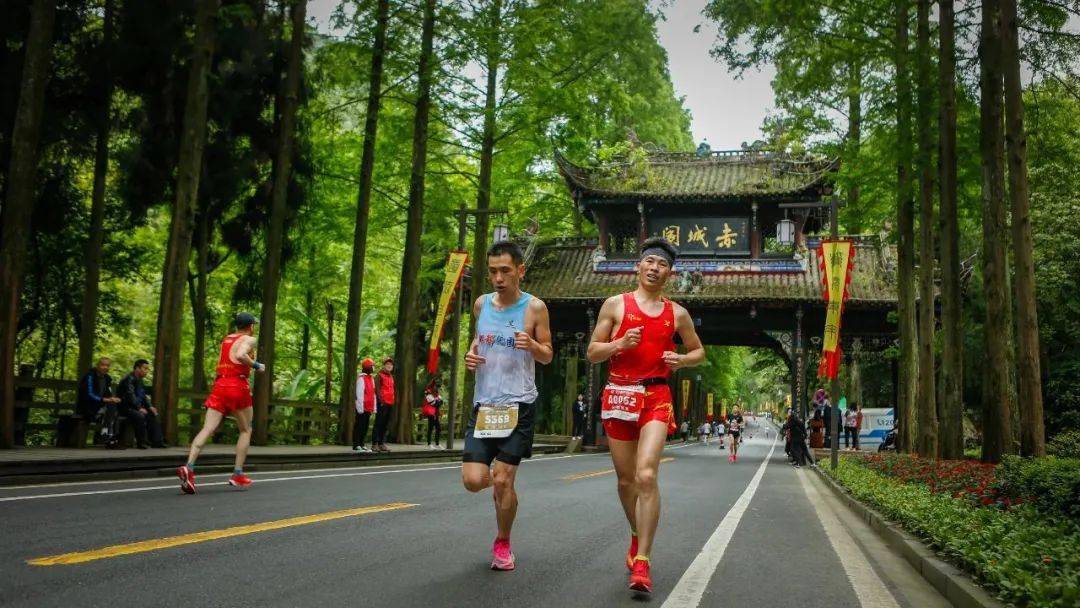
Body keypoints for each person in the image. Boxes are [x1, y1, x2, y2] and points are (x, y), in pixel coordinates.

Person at [587, 236, 705, 594]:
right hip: (620, 393)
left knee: (647, 474)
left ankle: (643, 562)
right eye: (650, 261)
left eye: (663, 264)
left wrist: (681, 359)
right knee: (626, 482)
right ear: (638, 266)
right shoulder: (615, 305)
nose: (655, 268)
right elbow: (592, 351)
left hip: (656, 394)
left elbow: (698, 351)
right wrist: (619, 344)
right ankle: (636, 534)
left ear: (670, 272)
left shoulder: (677, 313)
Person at [461, 240, 553, 572]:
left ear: (520, 271)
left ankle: (502, 541)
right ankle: (500, 483)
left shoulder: (535, 308)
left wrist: (532, 345)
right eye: (493, 271)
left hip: (518, 404)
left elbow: (548, 354)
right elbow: (479, 339)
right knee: (474, 481)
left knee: (502, 480)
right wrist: (471, 355)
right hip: (484, 405)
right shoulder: (481, 304)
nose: (498, 278)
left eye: (505, 271)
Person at [177, 312, 264, 494]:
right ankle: (237, 474)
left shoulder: (226, 339)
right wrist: (256, 365)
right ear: (250, 326)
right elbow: (240, 355)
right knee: (246, 429)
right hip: (237, 385)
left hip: (220, 385)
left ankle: (189, 467)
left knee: (207, 429)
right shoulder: (249, 339)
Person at [114, 359, 166, 449]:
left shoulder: (140, 381)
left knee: (153, 414)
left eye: (147, 369)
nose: (146, 371)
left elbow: (143, 396)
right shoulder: (128, 379)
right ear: (137, 368)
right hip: (124, 407)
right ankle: (141, 442)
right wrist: (138, 408)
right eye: (145, 368)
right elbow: (130, 396)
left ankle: (157, 441)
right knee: (140, 415)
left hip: (133, 407)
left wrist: (150, 406)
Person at [76, 357, 119, 436]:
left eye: (107, 365)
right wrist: (104, 399)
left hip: (100, 407)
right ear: (97, 365)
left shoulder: (107, 378)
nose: (105, 367)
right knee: (111, 410)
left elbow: (108, 394)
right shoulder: (90, 376)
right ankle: (108, 436)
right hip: (87, 407)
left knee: (114, 407)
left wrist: (112, 399)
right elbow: (89, 394)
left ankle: (108, 435)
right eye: (103, 365)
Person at [371, 358, 395, 453]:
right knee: (378, 423)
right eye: (387, 364)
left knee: (385, 424)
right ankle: (374, 444)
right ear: (384, 365)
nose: (389, 366)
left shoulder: (391, 376)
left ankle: (381, 443)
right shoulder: (379, 375)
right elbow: (376, 389)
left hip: (390, 403)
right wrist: (380, 401)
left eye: (391, 365)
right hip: (382, 402)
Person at [353, 358, 376, 452]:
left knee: (365, 426)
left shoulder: (371, 379)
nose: (373, 368)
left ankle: (362, 443)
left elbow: (373, 393)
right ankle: (356, 444)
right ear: (367, 367)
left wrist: (374, 407)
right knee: (359, 425)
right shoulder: (361, 379)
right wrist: (360, 407)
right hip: (362, 407)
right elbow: (359, 394)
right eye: (372, 366)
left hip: (369, 407)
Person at [423, 378, 444, 449]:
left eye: (438, 386)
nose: (437, 388)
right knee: (430, 427)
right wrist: (437, 401)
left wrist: (437, 401)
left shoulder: (436, 392)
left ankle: (437, 443)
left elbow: (441, 401)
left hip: (436, 412)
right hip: (430, 412)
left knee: (438, 428)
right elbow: (432, 402)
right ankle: (429, 444)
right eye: (436, 386)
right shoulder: (428, 391)